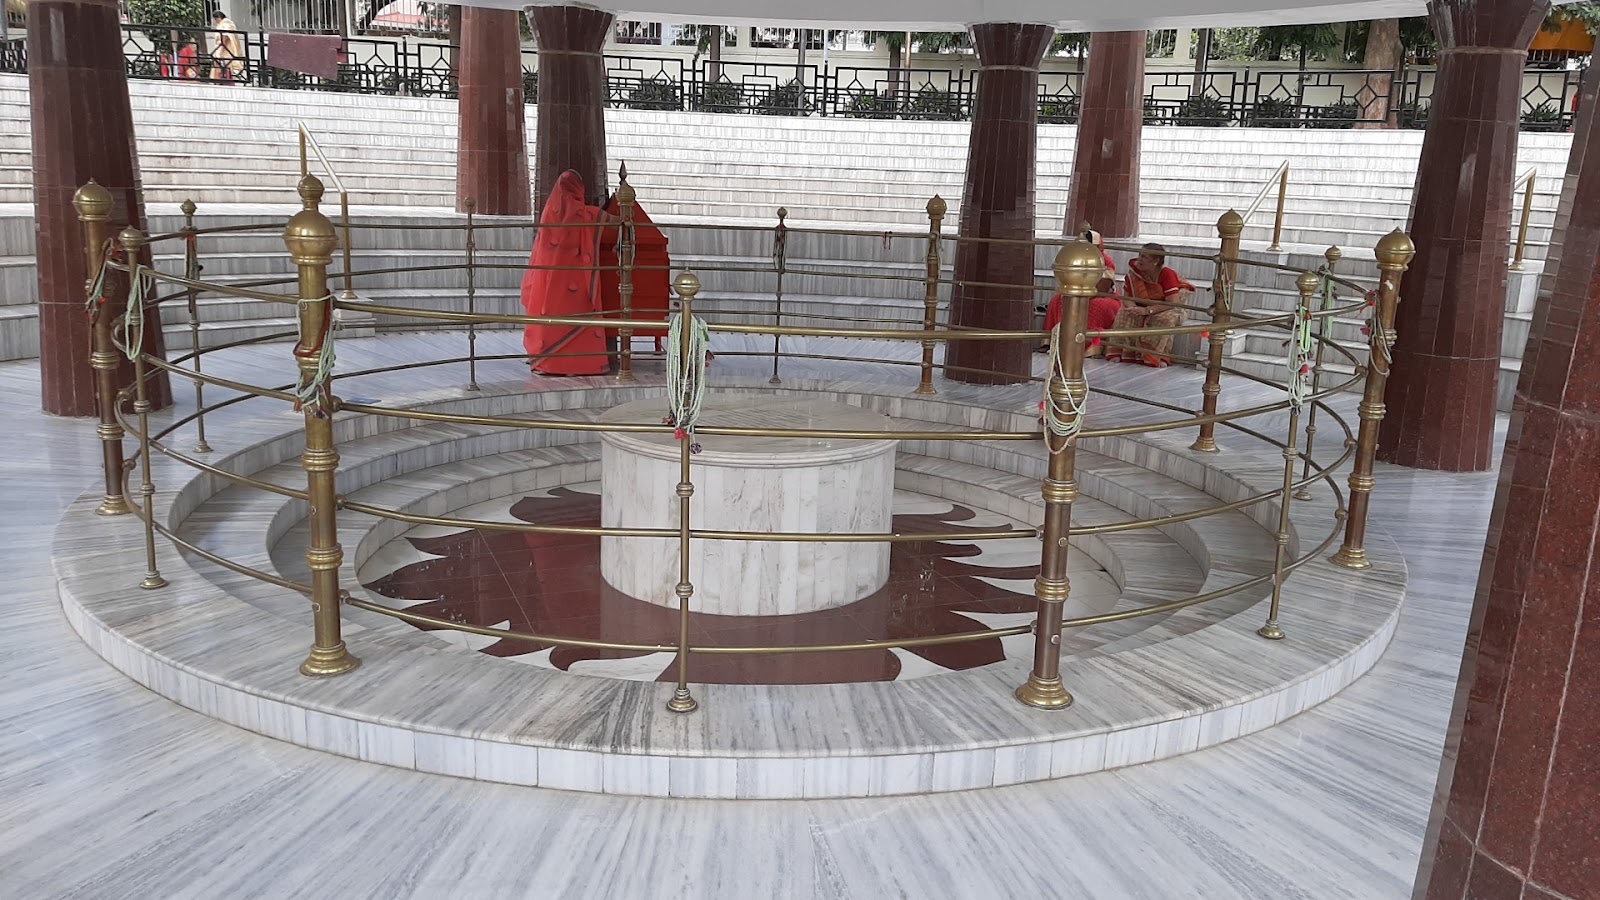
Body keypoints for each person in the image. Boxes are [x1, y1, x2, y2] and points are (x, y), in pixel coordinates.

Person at [521, 170, 612, 376]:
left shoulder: (549, 213)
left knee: (551, 322)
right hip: (575, 286)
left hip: (549, 284)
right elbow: (610, 220)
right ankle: (579, 365)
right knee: (580, 318)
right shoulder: (584, 214)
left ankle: (548, 362)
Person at [1107, 242, 1194, 368]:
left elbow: (1172, 302)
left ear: (1156, 261)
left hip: (1168, 307)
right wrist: (1133, 308)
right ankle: (1121, 352)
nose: (1139, 259)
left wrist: (1148, 310)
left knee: (1165, 319)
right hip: (1140, 305)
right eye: (1139, 255)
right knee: (1124, 313)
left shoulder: (1166, 274)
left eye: (1144, 257)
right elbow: (1127, 297)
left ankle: (1157, 356)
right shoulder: (1134, 273)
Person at [1039, 228, 1121, 358]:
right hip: (1077, 292)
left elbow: (1103, 287)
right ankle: (1053, 342)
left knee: (1096, 306)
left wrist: (1085, 295)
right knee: (1057, 300)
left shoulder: (1105, 261)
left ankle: (1087, 346)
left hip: (1102, 296)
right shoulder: (1074, 257)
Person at [209, 11, 244, 81]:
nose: (215, 21)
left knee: (225, 66)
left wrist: (221, 49)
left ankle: (225, 80)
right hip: (224, 48)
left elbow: (225, 37)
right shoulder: (228, 24)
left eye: (215, 19)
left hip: (226, 50)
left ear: (219, 17)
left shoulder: (225, 25)